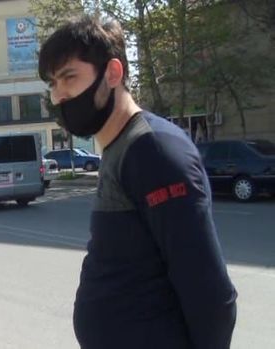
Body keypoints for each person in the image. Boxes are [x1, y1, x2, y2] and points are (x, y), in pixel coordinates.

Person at [38, 15, 237, 348]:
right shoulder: (121, 146)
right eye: (53, 84)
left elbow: (212, 295)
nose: (59, 95)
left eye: (68, 77)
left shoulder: (153, 151)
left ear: (112, 73)